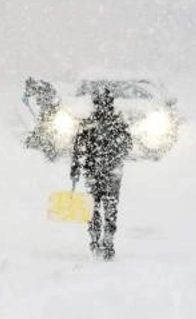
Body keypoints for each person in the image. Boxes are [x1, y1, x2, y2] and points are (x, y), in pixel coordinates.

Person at [70, 85, 133, 260]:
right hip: (112, 172)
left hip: (93, 171)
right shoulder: (118, 123)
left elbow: (77, 149)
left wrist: (75, 168)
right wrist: (115, 156)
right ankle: (108, 242)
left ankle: (95, 240)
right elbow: (128, 145)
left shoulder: (89, 123)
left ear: (96, 104)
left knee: (93, 208)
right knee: (110, 208)